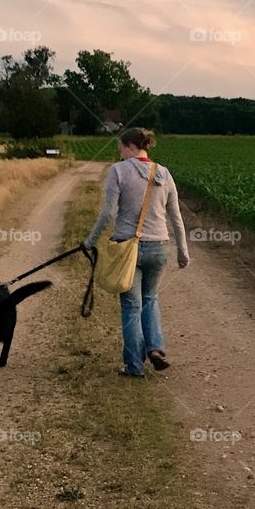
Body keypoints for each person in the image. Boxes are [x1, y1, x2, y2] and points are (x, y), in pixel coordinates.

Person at [82, 127, 190, 377]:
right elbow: (176, 217)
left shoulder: (118, 171)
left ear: (129, 146)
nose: (119, 153)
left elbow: (108, 213)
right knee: (150, 298)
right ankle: (155, 348)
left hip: (126, 248)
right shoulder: (164, 172)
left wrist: (89, 241)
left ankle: (134, 366)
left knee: (132, 306)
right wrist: (182, 252)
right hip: (159, 246)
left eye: (120, 148)